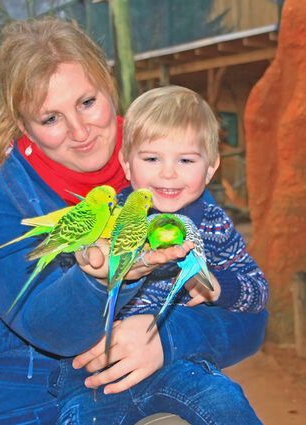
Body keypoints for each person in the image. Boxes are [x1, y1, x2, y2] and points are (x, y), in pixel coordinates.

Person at [0, 17, 268, 424]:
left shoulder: (163, 172)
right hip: (24, 406)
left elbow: (250, 316)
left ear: (109, 87)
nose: (80, 131)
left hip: (150, 385)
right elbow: (53, 330)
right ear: (24, 126)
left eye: (87, 102)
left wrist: (166, 338)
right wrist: (100, 279)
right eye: (50, 119)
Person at [56, 86, 269, 424]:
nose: (168, 172)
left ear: (210, 168)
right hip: (99, 374)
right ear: (127, 165)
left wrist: (218, 287)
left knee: (226, 401)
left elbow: (258, 291)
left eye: (186, 160)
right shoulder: (108, 217)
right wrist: (86, 265)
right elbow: (61, 294)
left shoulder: (213, 226)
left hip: (181, 367)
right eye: (152, 159)